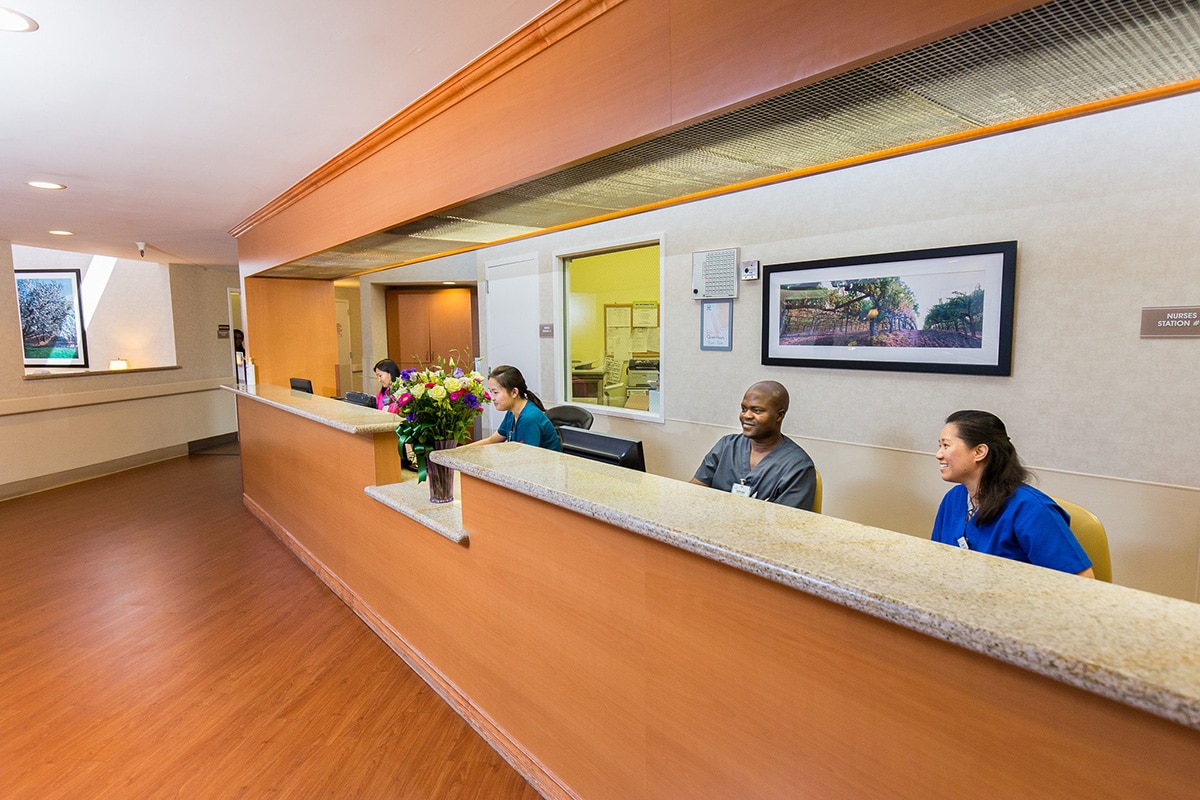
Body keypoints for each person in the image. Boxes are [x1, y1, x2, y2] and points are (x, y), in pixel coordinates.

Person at [932, 409, 1094, 577]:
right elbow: (937, 561)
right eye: (940, 446)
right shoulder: (953, 499)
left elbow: (1083, 579)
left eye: (946, 445)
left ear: (979, 452)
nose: (939, 454)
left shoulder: (1032, 510)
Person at [690, 380, 816, 510]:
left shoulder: (797, 467)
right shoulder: (726, 446)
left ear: (779, 415)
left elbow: (788, 523)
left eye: (757, 410)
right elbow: (694, 493)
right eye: (744, 409)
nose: (746, 416)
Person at [467, 365, 562, 451]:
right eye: (490, 392)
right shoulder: (512, 413)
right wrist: (458, 451)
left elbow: (527, 458)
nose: (492, 397)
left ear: (514, 392)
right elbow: (493, 440)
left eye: (495, 392)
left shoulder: (528, 419)